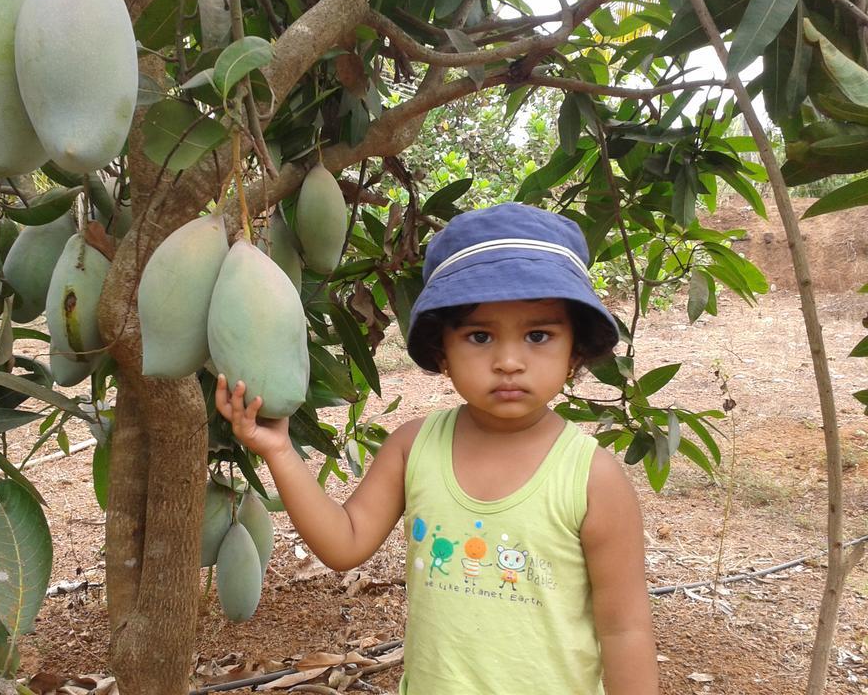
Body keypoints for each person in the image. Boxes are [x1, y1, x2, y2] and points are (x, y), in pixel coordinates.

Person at [215, 202, 659, 694]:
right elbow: (344, 543)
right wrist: (279, 450)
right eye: (479, 335)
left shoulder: (591, 478)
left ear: (573, 351)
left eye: (538, 335)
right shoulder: (414, 447)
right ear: (442, 352)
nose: (508, 361)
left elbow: (625, 630)